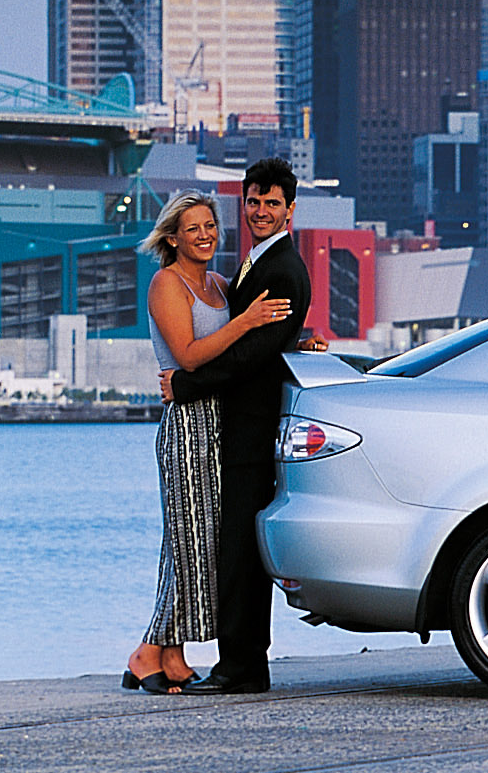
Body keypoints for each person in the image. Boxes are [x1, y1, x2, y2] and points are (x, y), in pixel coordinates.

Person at [127, 190, 293, 694]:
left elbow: (247, 348)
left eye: (210, 226)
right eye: (192, 228)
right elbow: (191, 356)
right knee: (188, 544)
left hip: (225, 425)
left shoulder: (221, 285)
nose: (204, 235)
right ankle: (146, 654)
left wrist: (296, 343)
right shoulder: (165, 284)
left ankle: (171, 656)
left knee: (204, 545)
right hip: (188, 426)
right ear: (172, 237)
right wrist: (246, 321)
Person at [166, 158, 312, 695]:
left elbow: (254, 351)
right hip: (238, 427)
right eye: (254, 201)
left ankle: (242, 666)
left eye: (273, 203)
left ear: (290, 210)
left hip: (250, 430)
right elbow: (260, 340)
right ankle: (243, 663)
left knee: (241, 556)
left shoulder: (282, 269)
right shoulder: (255, 263)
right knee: (237, 552)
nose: (261, 211)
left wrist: (187, 386)